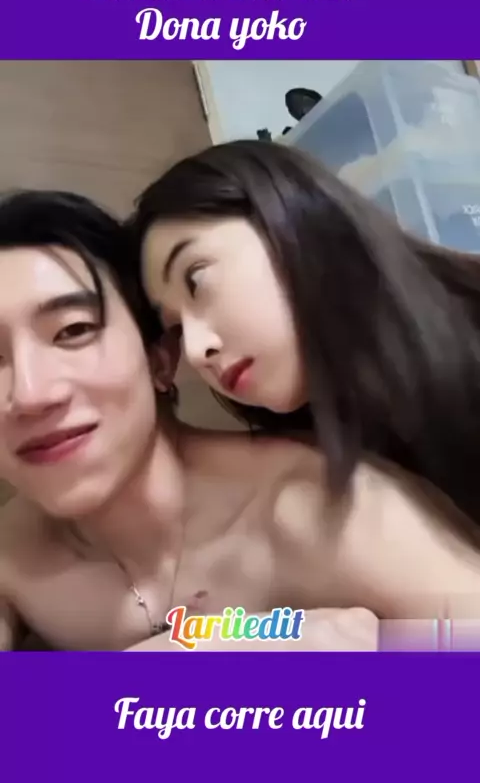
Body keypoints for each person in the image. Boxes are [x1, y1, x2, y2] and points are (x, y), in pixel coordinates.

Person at [2, 193, 480, 655]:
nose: (29, 394)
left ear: (160, 361)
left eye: (74, 330)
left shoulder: (333, 509)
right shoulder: (13, 553)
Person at [130, 138, 480, 532]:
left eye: (196, 281)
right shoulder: (327, 465)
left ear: (288, 216)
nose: (196, 351)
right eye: (176, 328)